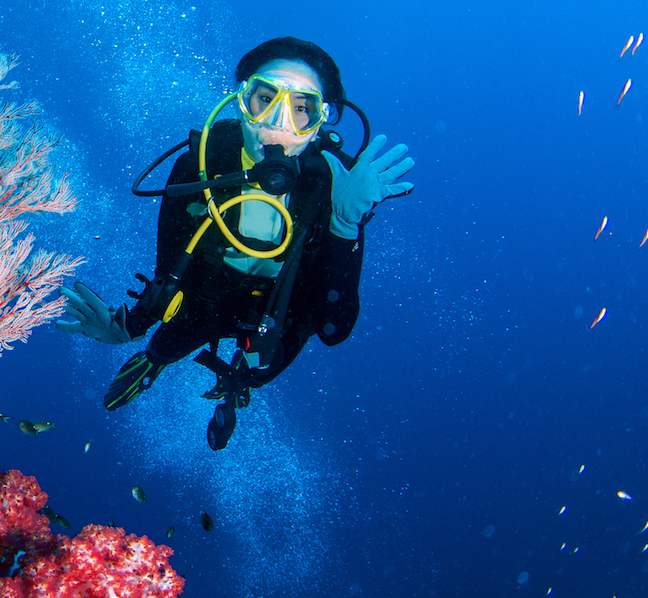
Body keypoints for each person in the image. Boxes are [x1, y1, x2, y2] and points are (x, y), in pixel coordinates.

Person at [55, 37, 415, 449]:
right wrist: (129, 328)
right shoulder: (200, 163)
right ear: (241, 101)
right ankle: (152, 362)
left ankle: (234, 388)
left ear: (321, 122)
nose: (278, 124)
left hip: (282, 313)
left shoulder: (336, 185)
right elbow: (169, 271)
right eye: (264, 98)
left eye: (302, 109)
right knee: (166, 343)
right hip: (204, 299)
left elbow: (334, 327)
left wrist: (345, 224)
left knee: (257, 372)